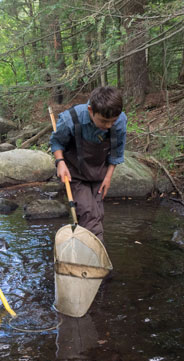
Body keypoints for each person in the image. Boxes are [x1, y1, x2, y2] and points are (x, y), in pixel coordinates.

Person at [50, 86, 127, 243]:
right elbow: (57, 142)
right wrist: (60, 162)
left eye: (112, 121)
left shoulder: (119, 121)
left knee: (98, 213)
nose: (108, 126)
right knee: (87, 211)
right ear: (91, 110)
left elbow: (116, 152)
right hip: (73, 173)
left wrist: (108, 178)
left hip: (99, 172)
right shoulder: (71, 119)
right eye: (104, 121)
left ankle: (86, 250)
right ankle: (94, 255)